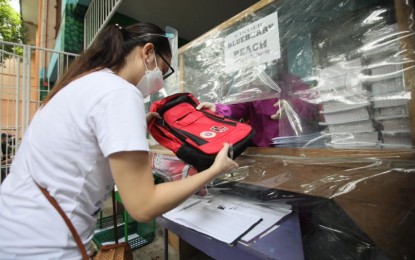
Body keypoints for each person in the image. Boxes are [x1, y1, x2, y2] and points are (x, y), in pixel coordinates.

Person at [0, 22, 238, 259]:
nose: (161, 82)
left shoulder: (86, 83)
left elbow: (85, 139)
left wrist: (133, 127)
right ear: (147, 52)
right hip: (42, 245)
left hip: (15, 228)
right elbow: (143, 206)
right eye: (164, 71)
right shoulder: (120, 93)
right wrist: (213, 171)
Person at [197, 70, 321, 147]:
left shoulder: (291, 81)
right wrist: (217, 108)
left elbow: (311, 104)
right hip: (264, 151)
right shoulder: (252, 86)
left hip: (297, 146)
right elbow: (237, 106)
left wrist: (291, 105)